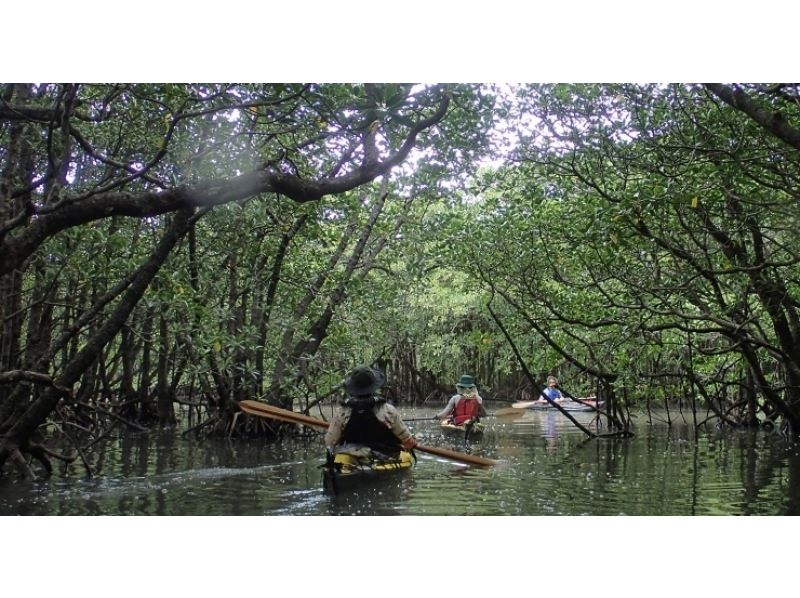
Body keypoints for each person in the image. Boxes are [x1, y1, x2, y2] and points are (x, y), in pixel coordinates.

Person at [325, 364, 417, 458]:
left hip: (353, 459)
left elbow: (329, 443)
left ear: (353, 387)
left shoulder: (342, 412)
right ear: (373, 386)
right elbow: (408, 442)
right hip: (385, 458)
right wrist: (412, 442)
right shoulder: (388, 410)